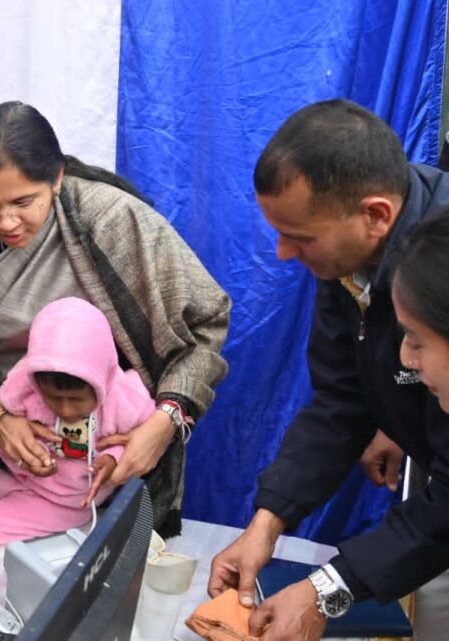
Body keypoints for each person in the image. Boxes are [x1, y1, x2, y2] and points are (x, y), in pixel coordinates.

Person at [0, 101, 231, 538]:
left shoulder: (114, 221)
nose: (6, 222)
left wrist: (163, 423)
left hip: (121, 441)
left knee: (113, 564)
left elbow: (206, 323)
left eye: (23, 202)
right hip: (15, 445)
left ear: (57, 178)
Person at [207, 99, 449, 641]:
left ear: (376, 215)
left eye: (301, 237)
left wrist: (326, 589)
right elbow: (343, 400)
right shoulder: (346, 257)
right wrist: (269, 520)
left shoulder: (439, 263)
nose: (282, 253)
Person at [0, 297, 156, 556]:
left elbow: (140, 441)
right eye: (52, 397)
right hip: (13, 482)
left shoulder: (124, 402)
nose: (65, 410)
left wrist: (113, 459)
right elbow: (3, 432)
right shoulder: (22, 389)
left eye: (77, 399)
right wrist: (26, 450)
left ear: (104, 379)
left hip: (66, 504)